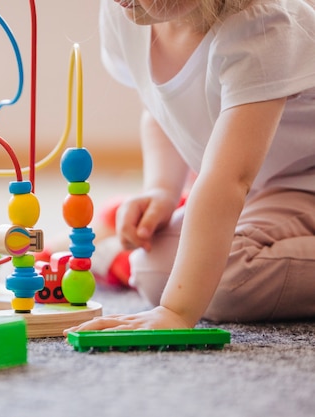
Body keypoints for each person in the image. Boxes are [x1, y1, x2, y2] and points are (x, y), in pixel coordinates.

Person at [64, 0, 315, 333]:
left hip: (304, 182)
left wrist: (175, 312)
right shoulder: (126, 12)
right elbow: (160, 107)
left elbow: (228, 180)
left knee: (229, 279)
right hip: (263, 190)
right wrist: (162, 190)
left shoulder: (263, 26)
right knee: (154, 268)